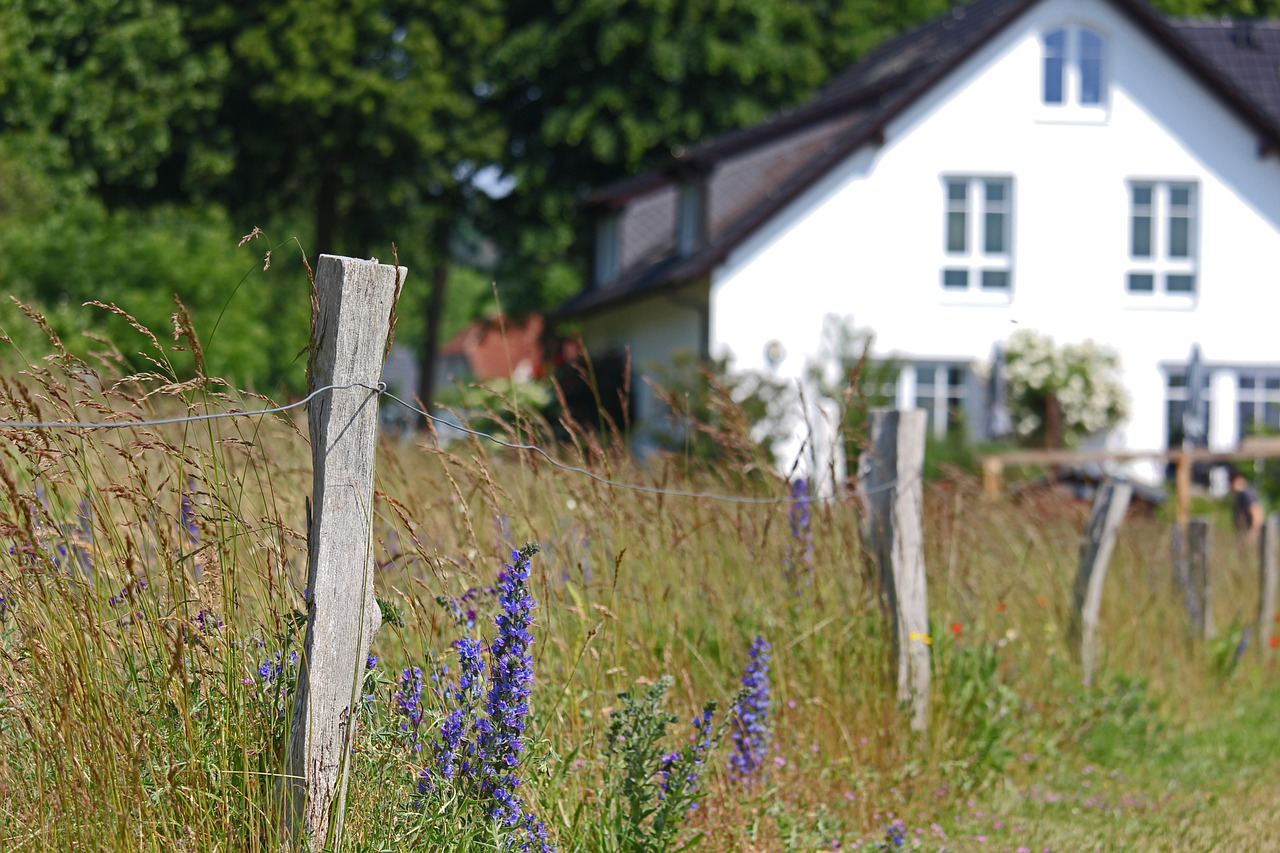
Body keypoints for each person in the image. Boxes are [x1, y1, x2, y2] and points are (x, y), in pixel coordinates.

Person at [1228, 466, 1264, 537]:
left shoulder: (1246, 493)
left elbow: (1256, 512)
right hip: (1244, 532)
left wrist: (1253, 532)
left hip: (1249, 532)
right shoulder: (1240, 494)